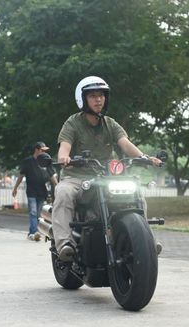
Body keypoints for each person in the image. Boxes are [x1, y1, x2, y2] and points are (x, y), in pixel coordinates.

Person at [53, 76, 162, 261]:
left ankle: (145, 238)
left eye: (101, 95)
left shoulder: (110, 123)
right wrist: (64, 157)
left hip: (106, 177)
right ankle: (65, 243)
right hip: (77, 177)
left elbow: (125, 144)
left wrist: (145, 157)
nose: (98, 99)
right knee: (62, 192)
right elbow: (65, 146)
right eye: (93, 96)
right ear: (83, 99)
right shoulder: (73, 122)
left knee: (137, 193)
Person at [12, 141, 58, 241]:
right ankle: (34, 232)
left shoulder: (46, 161)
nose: (43, 152)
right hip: (31, 192)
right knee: (33, 212)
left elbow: (52, 176)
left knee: (38, 214)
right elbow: (21, 176)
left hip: (42, 192)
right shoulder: (28, 162)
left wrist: (58, 188)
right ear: (37, 150)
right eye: (42, 150)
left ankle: (33, 232)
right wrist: (15, 188)